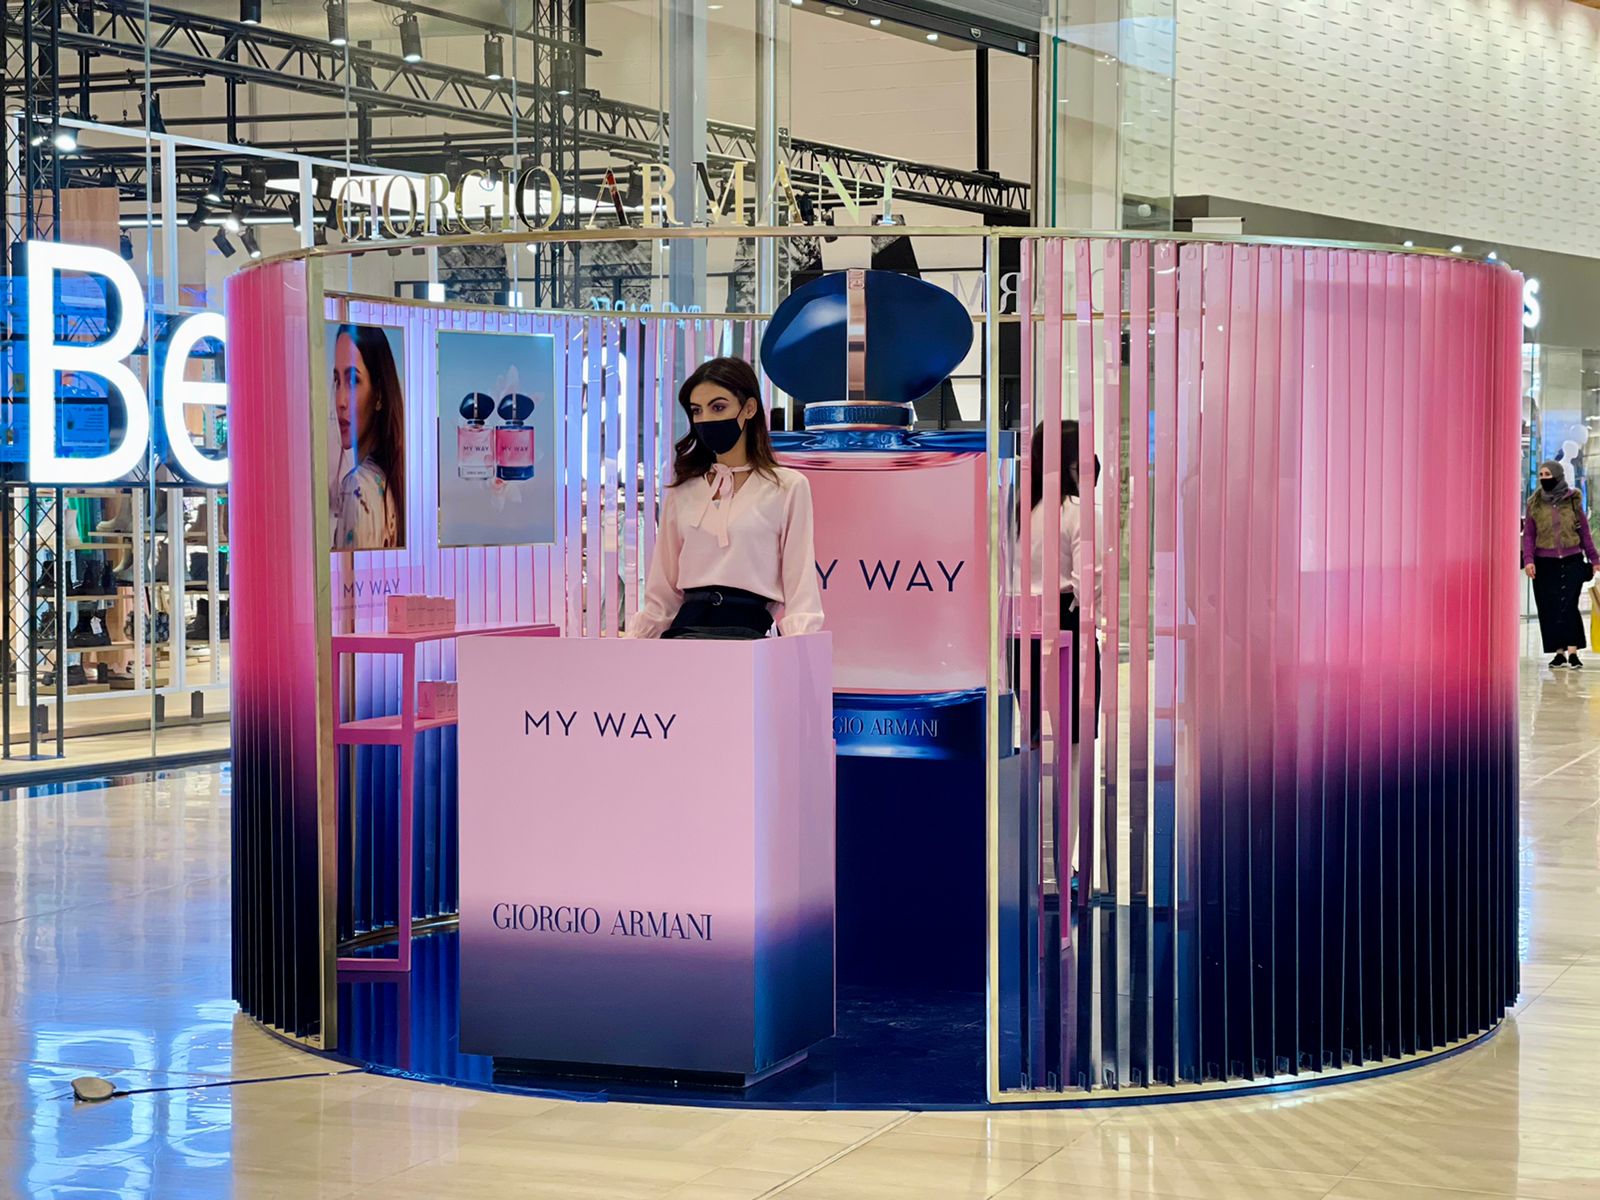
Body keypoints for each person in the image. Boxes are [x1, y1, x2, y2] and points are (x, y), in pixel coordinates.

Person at [628, 356, 824, 640]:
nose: (706, 419)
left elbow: (800, 586)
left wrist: (799, 645)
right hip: (686, 634)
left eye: (718, 407)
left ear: (749, 408)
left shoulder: (787, 487)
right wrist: (637, 642)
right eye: (697, 411)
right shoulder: (683, 491)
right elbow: (663, 593)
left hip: (750, 633)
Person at [1025, 420, 1101, 743]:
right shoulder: (1077, 512)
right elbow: (1089, 581)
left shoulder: (1021, 510)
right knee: (1072, 736)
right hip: (1065, 619)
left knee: (1034, 732)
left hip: (1021, 626)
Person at [331, 324, 406, 550]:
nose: (340, 401)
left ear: (379, 394)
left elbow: (350, 574)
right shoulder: (391, 480)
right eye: (337, 381)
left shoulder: (357, 487)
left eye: (353, 381)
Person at [1523, 459, 1598, 669]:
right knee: (1551, 607)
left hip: (1572, 560)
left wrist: (1595, 560)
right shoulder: (1534, 503)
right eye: (1541, 475)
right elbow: (1529, 535)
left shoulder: (1573, 500)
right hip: (1545, 563)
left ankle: (1573, 652)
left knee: (1569, 605)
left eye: (1548, 474)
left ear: (1558, 475)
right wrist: (1528, 560)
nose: (1544, 478)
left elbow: (1584, 532)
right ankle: (1558, 653)